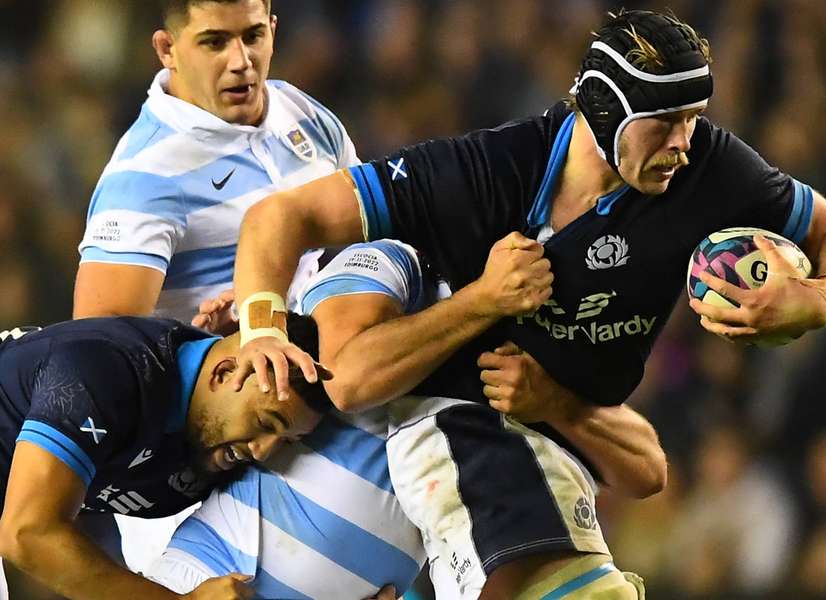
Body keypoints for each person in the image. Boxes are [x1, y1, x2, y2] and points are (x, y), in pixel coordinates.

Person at [230, 8, 826, 598]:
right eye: (664, 124)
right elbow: (281, 216)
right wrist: (260, 326)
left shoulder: (705, 167)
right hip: (466, 418)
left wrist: (821, 297)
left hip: (571, 434)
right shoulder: (485, 175)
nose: (685, 142)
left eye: (694, 119)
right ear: (605, 112)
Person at [151, 238, 664, 599]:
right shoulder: (373, 293)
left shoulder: (520, 365)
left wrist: (558, 404)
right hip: (209, 577)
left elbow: (647, 471)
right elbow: (347, 375)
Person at [72, 0, 359, 572]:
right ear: (167, 49)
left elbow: (368, 240)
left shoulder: (305, 115)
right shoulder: (144, 178)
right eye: (214, 42)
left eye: (253, 36)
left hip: (311, 431)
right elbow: (94, 364)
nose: (241, 61)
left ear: (274, 30)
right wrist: (204, 347)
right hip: (197, 494)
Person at [0, 315, 328, 600]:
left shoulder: (214, 439)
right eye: (265, 423)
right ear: (225, 374)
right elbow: (28, 533)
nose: (263, 451)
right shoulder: (104, 371)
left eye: (287, 441)